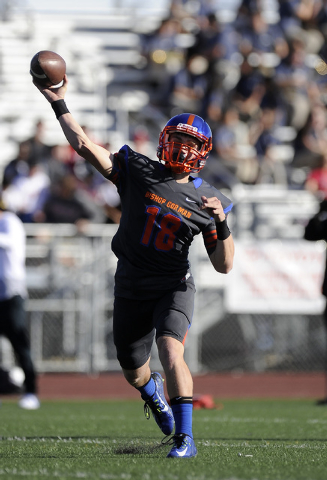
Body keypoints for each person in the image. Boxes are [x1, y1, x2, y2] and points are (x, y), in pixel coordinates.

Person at [33, 74, 235, 458]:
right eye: (176, 140)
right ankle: (151, 393)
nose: (181, 148)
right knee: (133, 371)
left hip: (172, 284)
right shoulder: (139, 170)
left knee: (171, 349)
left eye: (189, 144)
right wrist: (58, 102)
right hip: (130, 283)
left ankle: (185, 439)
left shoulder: (209, 198)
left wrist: (221, 224)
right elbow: (84, 145)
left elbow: (224, 265)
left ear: (202, 152)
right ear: (163, 140)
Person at [0, 197, 40, 409]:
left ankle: (31, 391)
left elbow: (8, 242)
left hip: (12, 294)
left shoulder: (10, 220)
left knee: (20, 344)